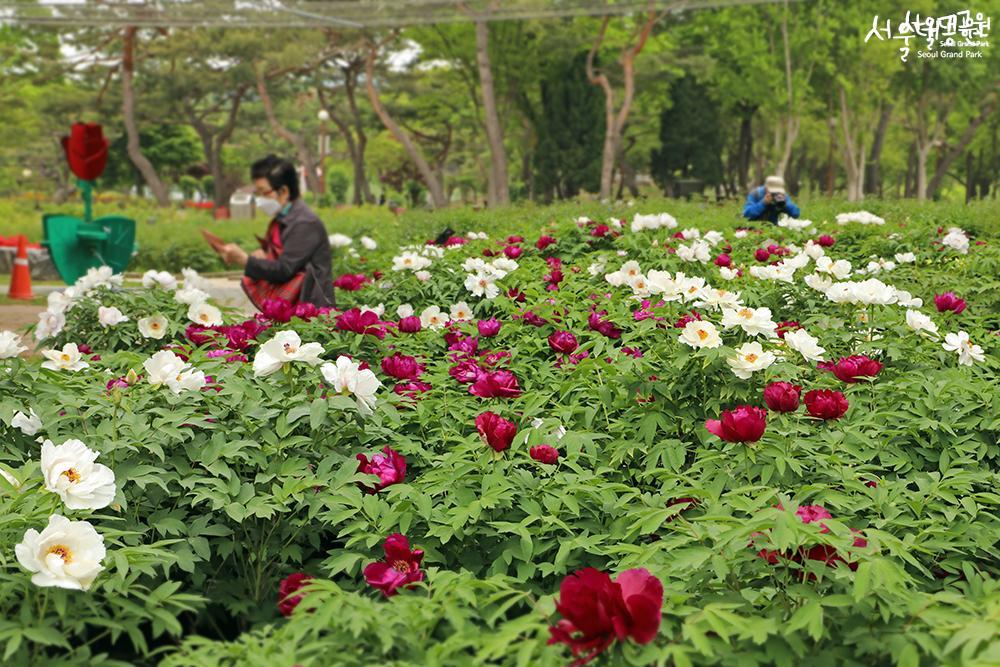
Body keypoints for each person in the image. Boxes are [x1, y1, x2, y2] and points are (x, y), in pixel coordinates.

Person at [219, 156, 333, 309]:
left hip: (311, 312)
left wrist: (245, 260)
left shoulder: (304, 223)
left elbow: (284, 270)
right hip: (295, 309)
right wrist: (264, 255)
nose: (259, 199)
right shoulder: (283, 219)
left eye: (263, 192)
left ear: (284, 191)